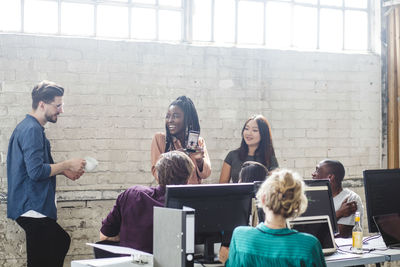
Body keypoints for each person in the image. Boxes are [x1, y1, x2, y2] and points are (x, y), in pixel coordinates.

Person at [7, 81, 86, 267]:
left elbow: (36, 166)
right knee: (59, 242)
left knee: (48, 251)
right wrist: (67, 163)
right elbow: (35, 172)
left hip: (30, 205)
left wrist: (64, 171)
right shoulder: (32, 129)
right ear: (42, 104)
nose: (61, 110)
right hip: (32, 205)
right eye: (57, 105)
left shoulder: (30, 128)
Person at [224, 169, 326, 267]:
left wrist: (227, 261)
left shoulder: (240, 237)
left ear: (263, 199)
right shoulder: (308, 246)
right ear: (296, 204)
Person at [100, 151, 194, 254]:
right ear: (188, 179)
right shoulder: (190, 207)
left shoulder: (131, 194)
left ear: (154, 172)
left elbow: (105, 236)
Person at [151, 96, 211, 184]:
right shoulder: (160, 139)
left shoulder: (198, 142)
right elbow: (158, 175)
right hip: (172, 195)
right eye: (168, 116)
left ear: (188, 120)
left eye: (176, 116)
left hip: (194, 195)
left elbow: (206, 174)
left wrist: (199, 161)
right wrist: (175, 158)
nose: (170, 120)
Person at [312, 159, 364, 238]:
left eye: (317, 171)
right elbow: (308, 231)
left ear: (330, 177)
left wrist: (316, 228)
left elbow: (340, 234)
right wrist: (338, 214)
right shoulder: (314, 198)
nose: (313, 174)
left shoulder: (350, 198)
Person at [219, 115, 278, 184]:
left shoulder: (270, 158)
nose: (249, 133)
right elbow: (222, 186)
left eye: (254, 130)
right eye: (246, 129)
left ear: (263, 134)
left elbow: (275, 185)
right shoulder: (232, 155)